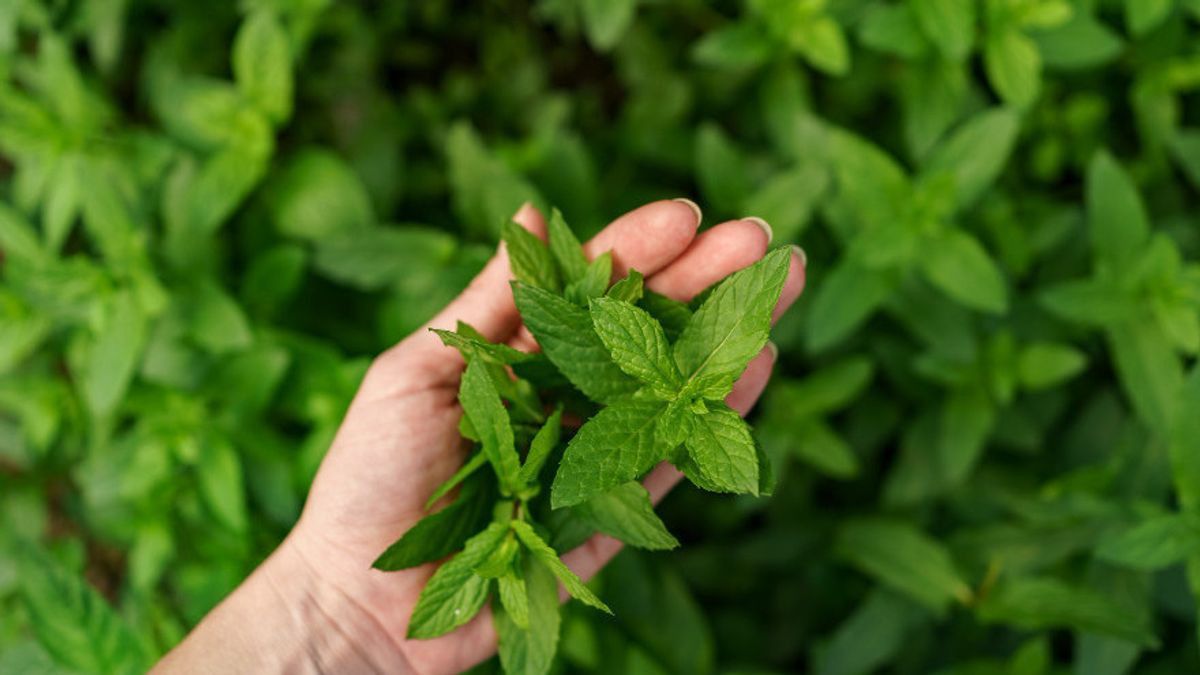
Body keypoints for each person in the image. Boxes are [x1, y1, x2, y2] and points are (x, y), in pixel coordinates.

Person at [153, 199, 807, 674]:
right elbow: (581, 467)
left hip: (635, 395)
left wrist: (332, 618)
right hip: (581, 433)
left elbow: (590, 459)